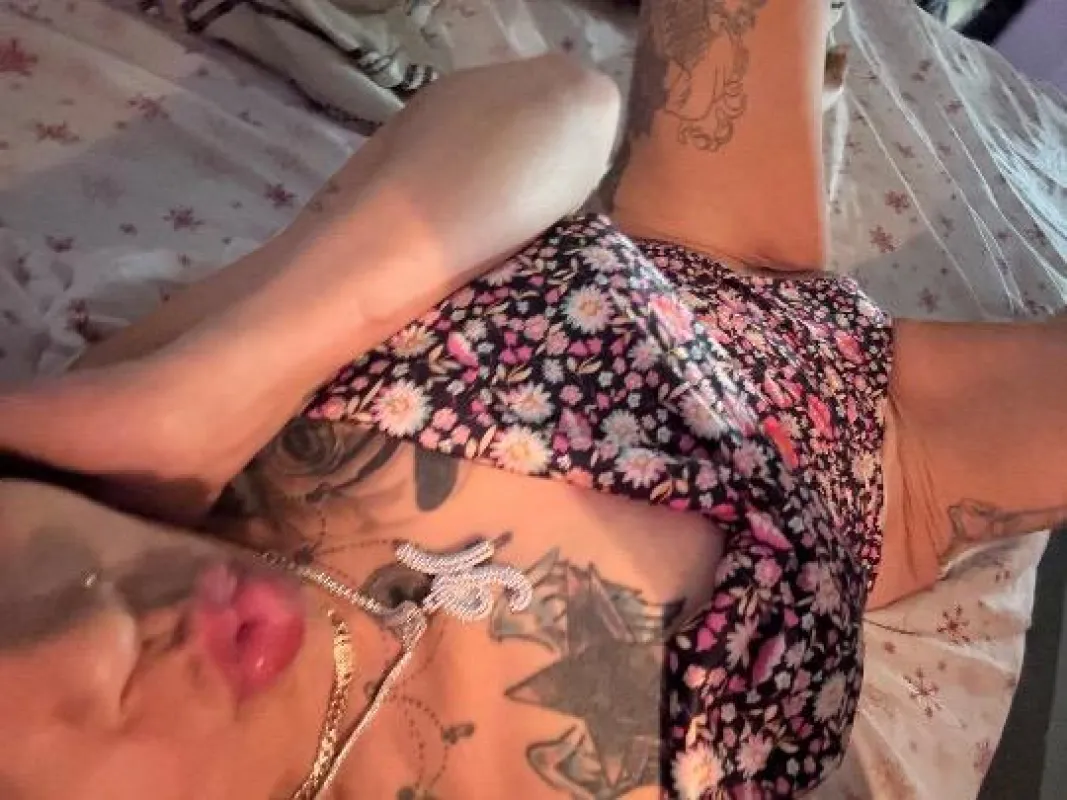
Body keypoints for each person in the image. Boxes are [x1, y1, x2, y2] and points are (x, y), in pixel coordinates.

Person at [0, 1, 1064, 797]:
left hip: (694, 247)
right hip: (885, 465)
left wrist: (210, 385)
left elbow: (556, 103)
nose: (89, 635)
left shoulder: (137, 438)